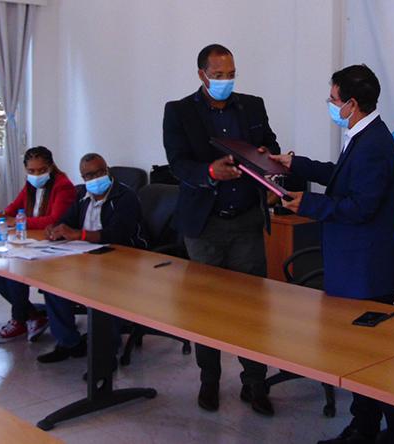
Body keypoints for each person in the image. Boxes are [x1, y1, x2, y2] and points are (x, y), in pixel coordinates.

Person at [270, 64, 394, 444]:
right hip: (358, 266)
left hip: (368, 271)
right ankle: (367, 427)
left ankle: (380, 432)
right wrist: (296, 164)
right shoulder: (365, 135)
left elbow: (359, 207)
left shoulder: (374, 145)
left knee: (370, 361)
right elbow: (342, 176)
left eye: (333, 99)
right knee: (363, 358)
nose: (330, 105)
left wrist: (307, 205)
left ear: (352, 103)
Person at [162, 44, 280, 416]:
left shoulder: (253, 106)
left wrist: (266, 155)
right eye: (218, 75)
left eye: (231, 74)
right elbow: (178, 164)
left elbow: (271, 144)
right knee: (206, 308)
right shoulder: (179, 111)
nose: (226, 81)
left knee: (252, 309)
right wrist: (210, 172)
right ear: (202, 75)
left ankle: (255, 382)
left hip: (246, 221)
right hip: (205, 225)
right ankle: (209, 380)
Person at [36, 153, 147, 365]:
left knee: (104, 289)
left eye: (100, 172)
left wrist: (80, 234)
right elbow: (67, 220)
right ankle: (69, 343)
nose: (95, 178)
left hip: (122, 257)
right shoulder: (81, 194)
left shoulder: (126, 197)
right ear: (83, 177)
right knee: (53, 284)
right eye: (89, 175)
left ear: (107, 170)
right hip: (86, 256)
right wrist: (55, 228)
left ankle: (106, 356)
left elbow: (118, 234)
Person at [0, 146, 76, 343]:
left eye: (41, 170)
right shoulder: (30, 185)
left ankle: (19, 319)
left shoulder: (63, 186)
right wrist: (3, 215)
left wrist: (18, 221)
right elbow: (13, 208)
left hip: (55, 244)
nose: (36, 175)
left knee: (14, 269)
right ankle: (32, 315)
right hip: (32, 240)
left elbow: (54, 220)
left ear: (51, 167)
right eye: (31, 171)